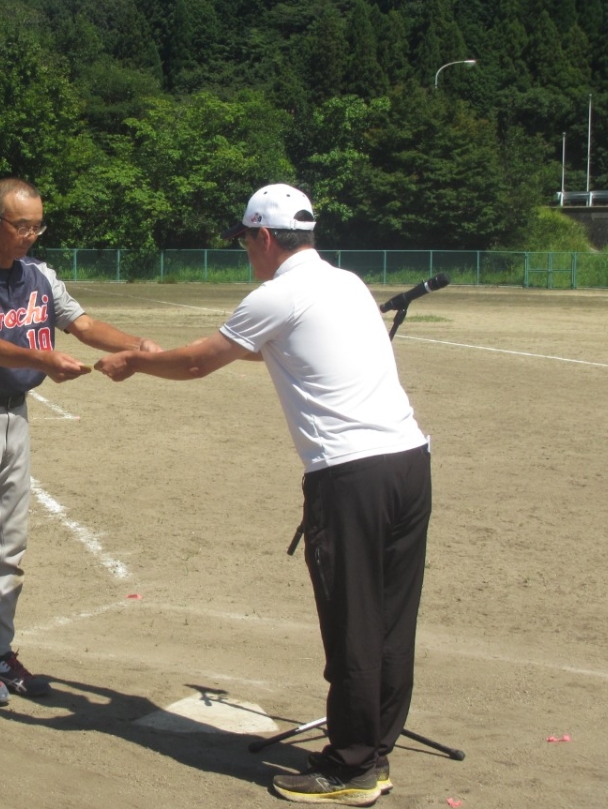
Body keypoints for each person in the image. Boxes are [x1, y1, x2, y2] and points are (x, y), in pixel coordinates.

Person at [95, 184, 432, 808]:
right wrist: (166, 354)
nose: (246, 251)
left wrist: (137, 362)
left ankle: (352, 768)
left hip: (351, 477)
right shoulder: (346, 282)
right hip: (409, 463)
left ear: (266, 237)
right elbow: (271, 350)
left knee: (353, 623)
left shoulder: (278, 293)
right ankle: (373, 748)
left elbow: (198, 364)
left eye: (246, 240)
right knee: (389, 620)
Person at [0, 177, 161, 707]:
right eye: (21, 226)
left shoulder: (39, 275)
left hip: (16, 415)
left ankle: (0, 652)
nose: (31, 236)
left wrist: (137, 345)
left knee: (10, 544)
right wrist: (44, 359)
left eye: (37, 226)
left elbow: (81, 322)